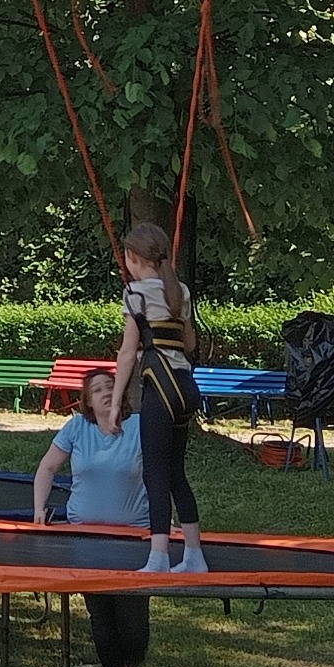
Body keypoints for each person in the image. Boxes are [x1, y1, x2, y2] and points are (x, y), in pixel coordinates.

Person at [34, 366, 153, 667]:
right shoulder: (76, 428)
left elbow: (164, 474)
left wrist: (166, 521)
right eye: (97, 388)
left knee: (132, 619)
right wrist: (40, 509)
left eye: (110, 386)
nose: (104, 392)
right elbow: (47, 468)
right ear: (87, 400)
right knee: (101, 615)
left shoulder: (140, 427)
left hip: (134, 538)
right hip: (85, 538)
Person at [107, 222, 206, 573]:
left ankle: (159, 556)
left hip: (160, 390)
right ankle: (194, 556)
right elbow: (190, 344)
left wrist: (116, 402)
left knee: (155, 474)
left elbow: (127, 353)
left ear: (133, 258)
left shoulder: (135, 295)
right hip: (185, 387)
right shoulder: (180, 291)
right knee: (176, 472)